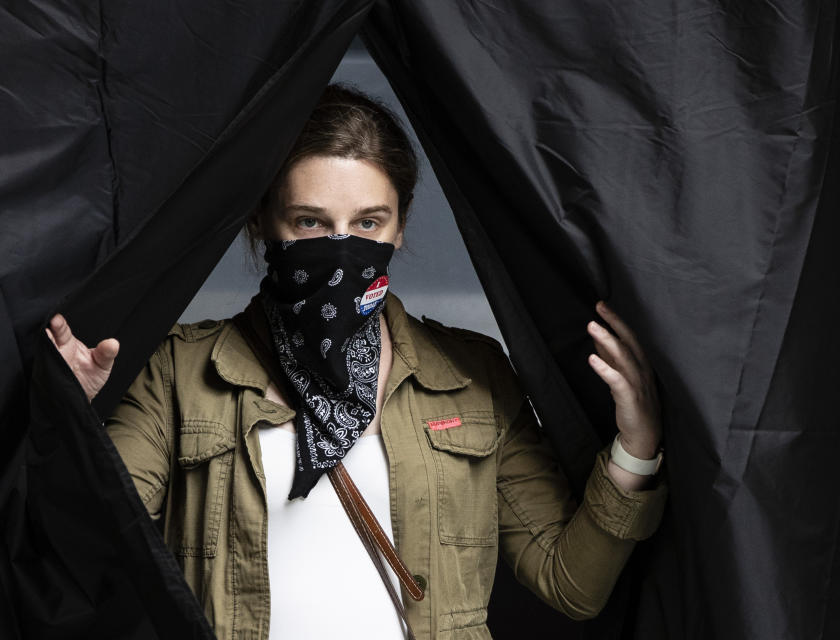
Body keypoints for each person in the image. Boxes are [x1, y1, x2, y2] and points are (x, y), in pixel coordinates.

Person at [47, 83, 667, 640]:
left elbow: (572, 585)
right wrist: (70, 421)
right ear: (264, 222)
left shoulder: (473, 376)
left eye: (368, 222)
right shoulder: (177, 373)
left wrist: (636, 444)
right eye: (311, 222)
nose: (341, 249)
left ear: (399, 228)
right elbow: (90, 556)